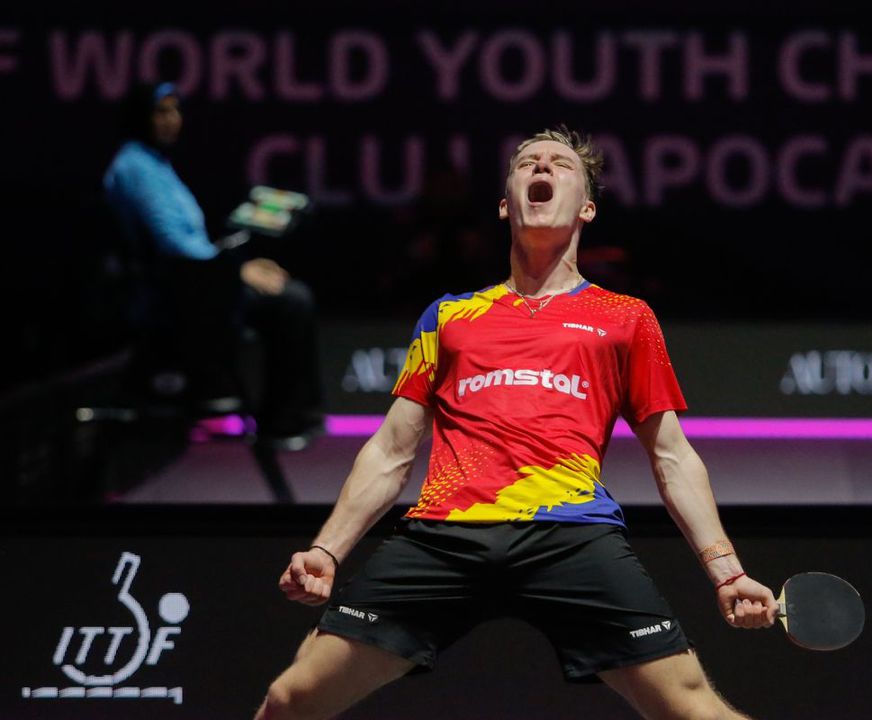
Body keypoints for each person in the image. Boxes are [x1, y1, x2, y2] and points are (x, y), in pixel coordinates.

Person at [256, 126, 779, 719]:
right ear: (506, 203)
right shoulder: (449, 316)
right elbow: (391, 450)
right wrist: (327, 550)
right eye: (529, 162)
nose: (543, 168)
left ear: (587, 208)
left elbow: (673, 456)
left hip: (570, 532)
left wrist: (727, 573)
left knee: (691, 709)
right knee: (291, 698)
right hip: (445, 534)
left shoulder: (625, 318)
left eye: (561, 164)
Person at [102, 82, 323, 447]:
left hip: (196, 281)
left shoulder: (156, 164)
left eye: (176, 110)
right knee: (291, 301)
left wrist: (239, 263)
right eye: (161, 111)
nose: (173, 119)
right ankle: (284, 422)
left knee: (288, 291)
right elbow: (175, 247)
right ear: (140, 117)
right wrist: (238, 271)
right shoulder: (136, 168)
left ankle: (287, 418)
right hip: (177, 294)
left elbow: (194, 245)